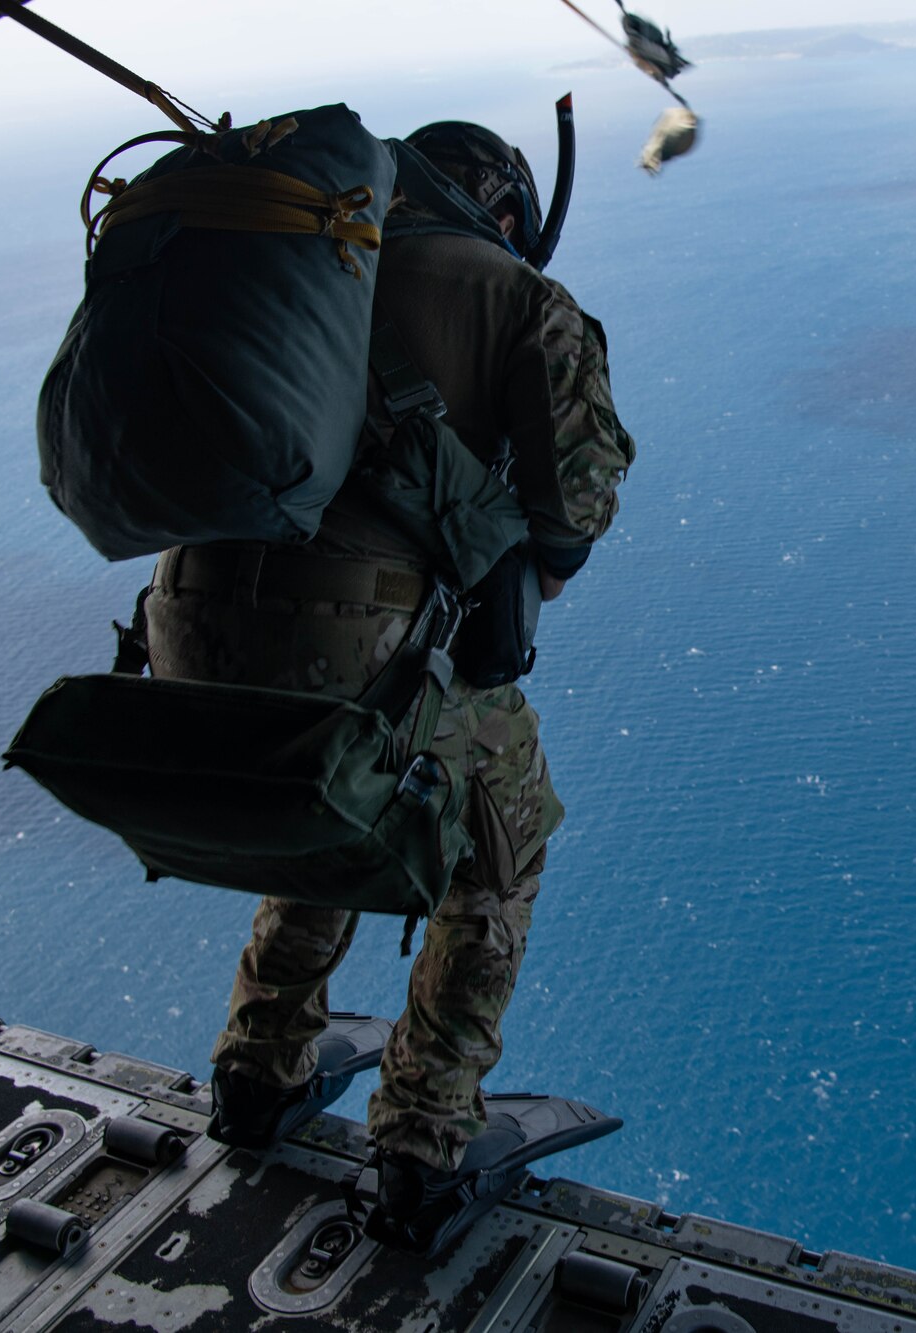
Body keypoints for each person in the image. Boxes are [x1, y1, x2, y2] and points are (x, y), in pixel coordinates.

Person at [141, 119, 635, 1252]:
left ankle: (257, 1071)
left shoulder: (295, 265)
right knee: (499, 830)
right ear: (504, 210)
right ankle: (422, 1137)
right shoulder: (515, 295)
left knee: (333, 781)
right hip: (357, 653)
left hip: (185, 634)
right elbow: (575, 511)